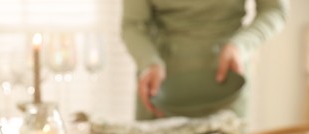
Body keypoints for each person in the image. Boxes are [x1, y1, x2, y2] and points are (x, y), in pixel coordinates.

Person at [121, 0, 289, 120]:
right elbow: (132, 25)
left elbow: (275, 9)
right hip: (162, 84)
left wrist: (239, 46)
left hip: (227, 78)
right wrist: (149, 61)